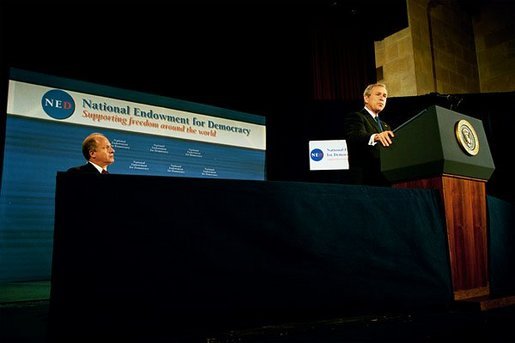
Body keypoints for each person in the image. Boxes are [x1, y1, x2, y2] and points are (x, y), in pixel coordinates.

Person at [343, 83, 395, 186]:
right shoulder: (357, 117)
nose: (382, 98)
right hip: (365, 178)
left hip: (385, 178)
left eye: (384, 96)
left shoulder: (385, 126)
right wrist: (375, 137)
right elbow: (355, 137)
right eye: (378, 94)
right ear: (366, 98)